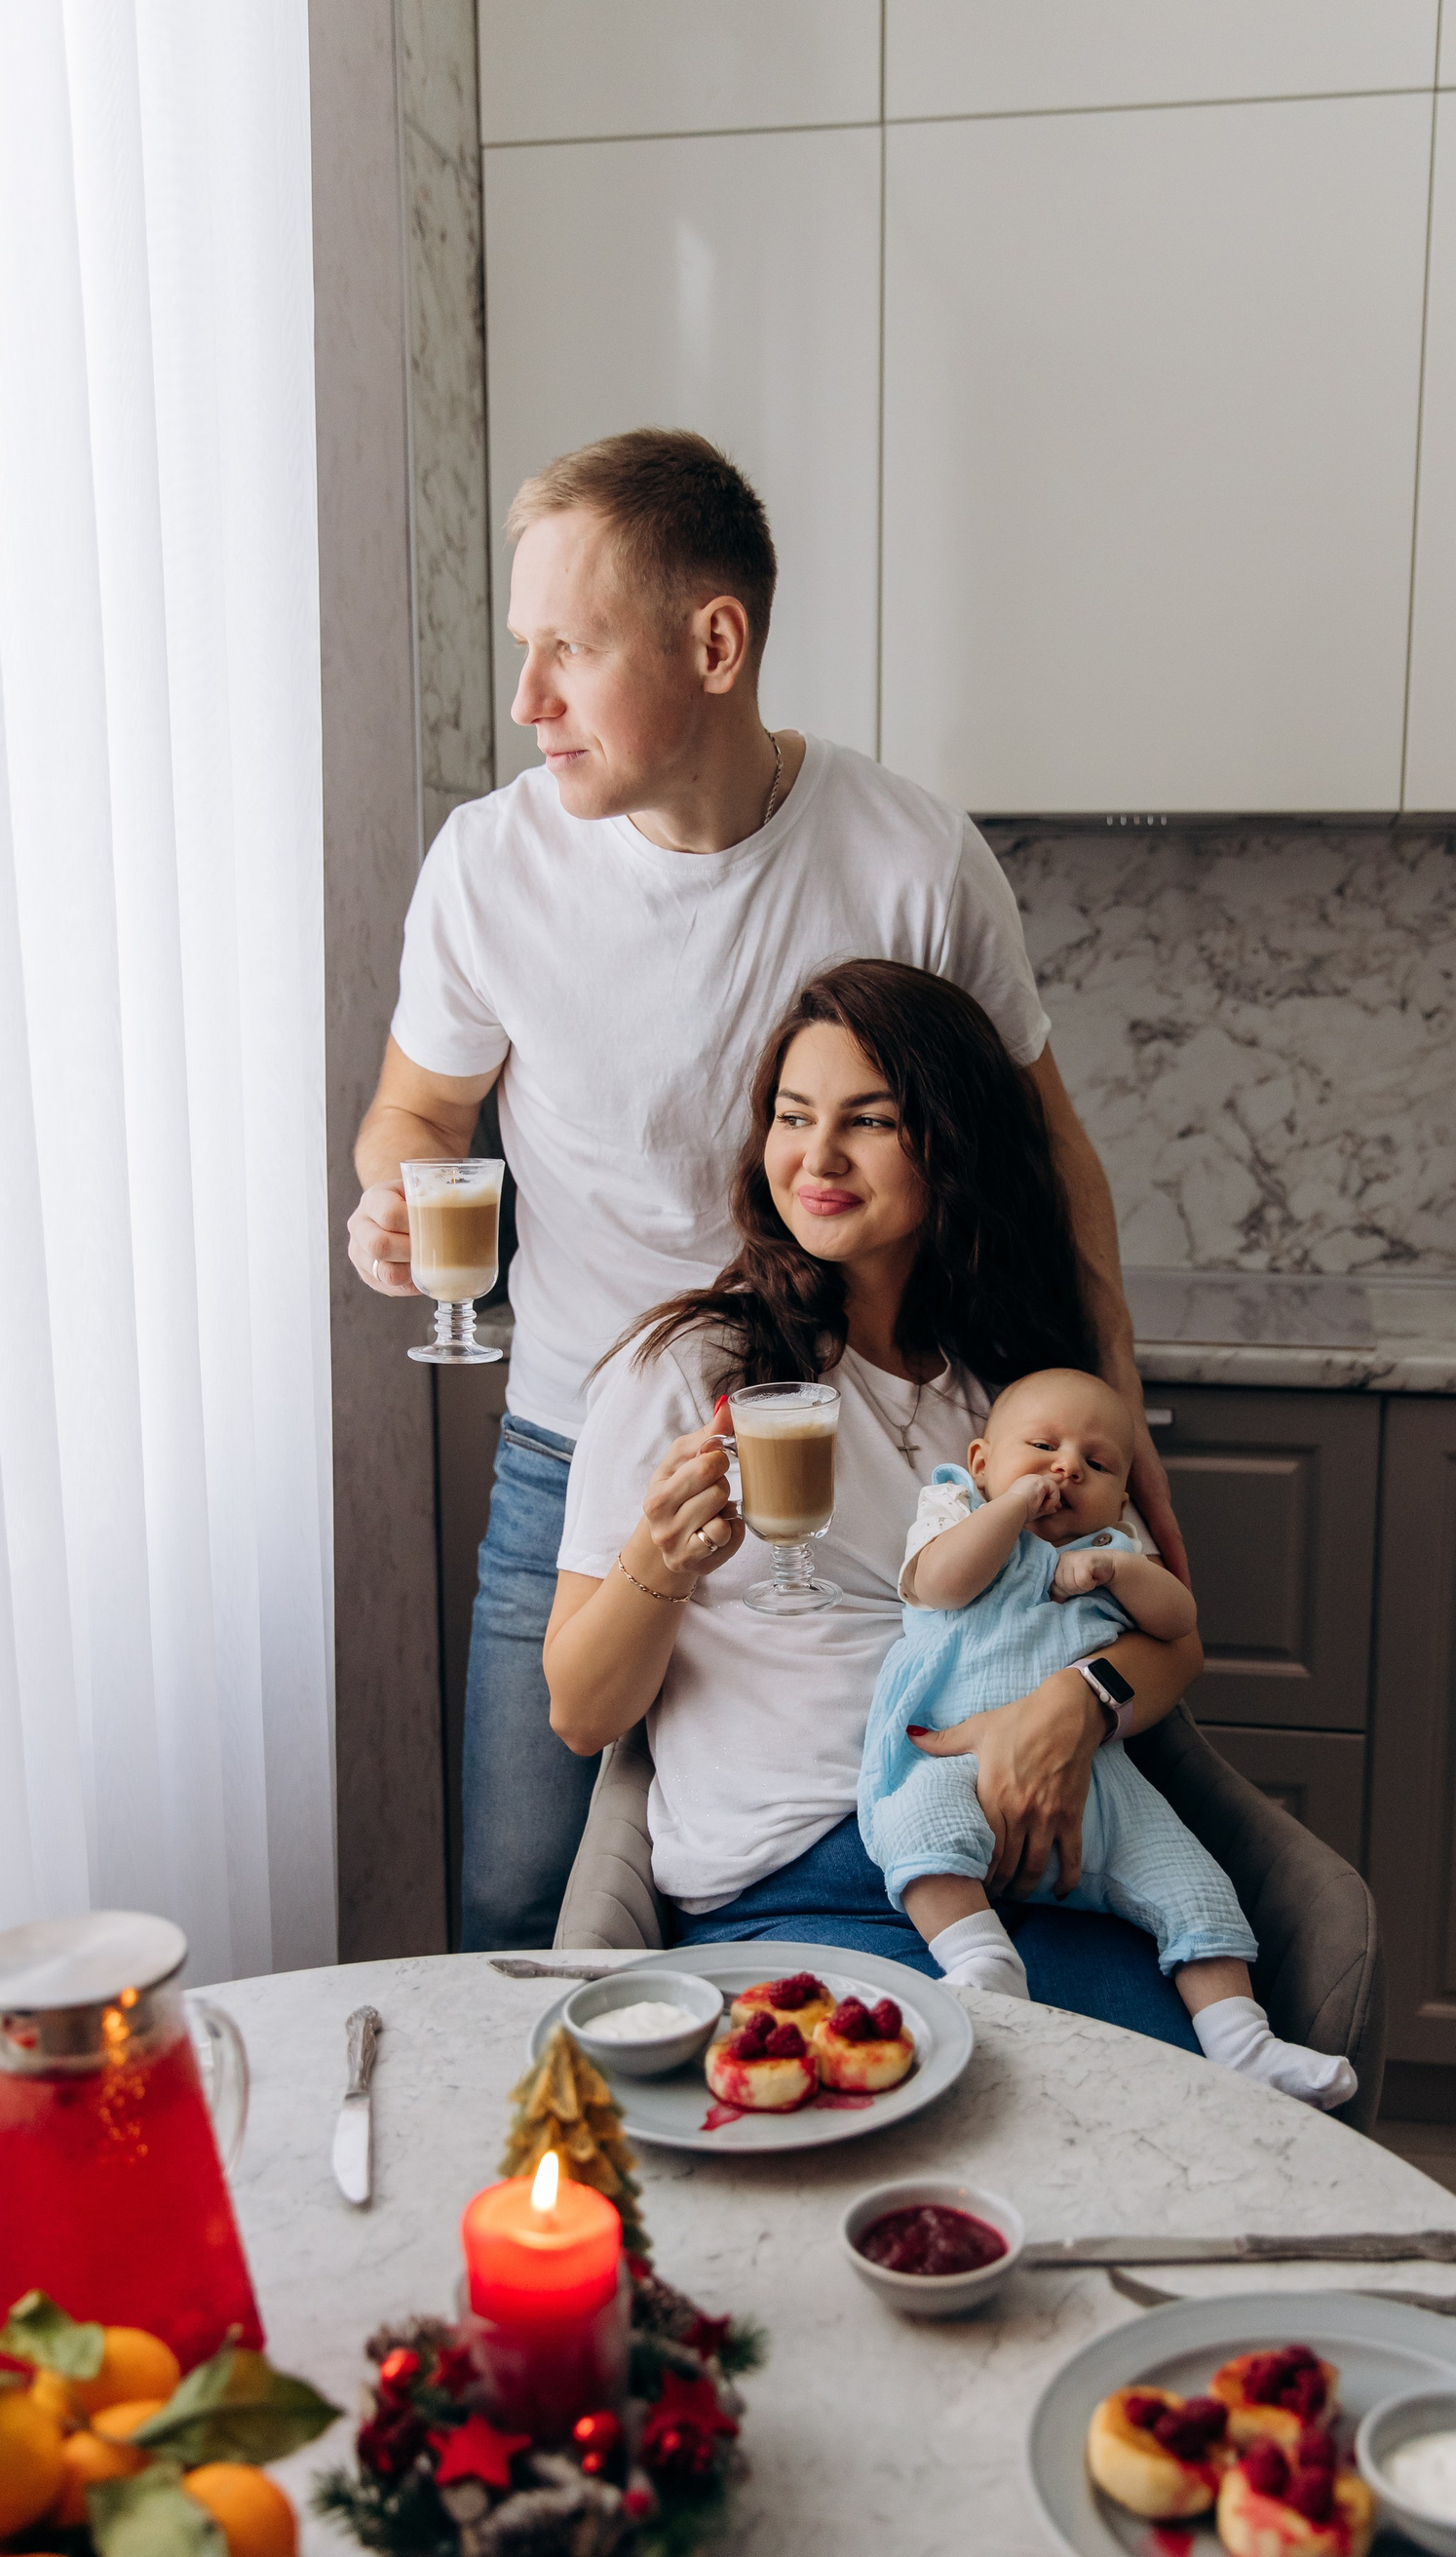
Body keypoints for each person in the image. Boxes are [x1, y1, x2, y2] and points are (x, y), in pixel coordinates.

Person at [346, 427, 1188, 1951]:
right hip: (575, 1441)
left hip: (860, 1440)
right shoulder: (488, 867)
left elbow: (1050, 1148)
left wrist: (1115, 1404)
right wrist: (399, 1194)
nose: (528, 698)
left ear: (715, 644)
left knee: (898, 1833)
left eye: (569, 648)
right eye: (524, 648)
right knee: (517, 1902)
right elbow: (417, 1109)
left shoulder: (911, 858)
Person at [543, 959, 1207, 2046]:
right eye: (792, 1116)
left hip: (1031, 1859)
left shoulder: (1013, 1398)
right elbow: (580, 1713)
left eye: (870, 1120)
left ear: (954, 1143)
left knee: (1181, 2108)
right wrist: (659, 1562)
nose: (817, 1157)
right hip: (809, 1870)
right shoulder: (690, 1370)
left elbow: (1171, 1639)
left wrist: (1075, 1704)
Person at [857, 1367, 1357, 2106]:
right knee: (915, 1825)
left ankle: (1243, 2041)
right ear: (981, 1462)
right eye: (1042, 1448)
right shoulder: (955, 1508)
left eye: (1096, 1464)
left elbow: (1179, 1624)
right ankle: (983, 1960)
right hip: (958, 1760)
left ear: (1121, 1498)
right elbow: (943, 1584)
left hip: (1099, 1782)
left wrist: (1118, 1569)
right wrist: (1012, 1507)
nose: (1066, 1468)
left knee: (1196, 1884)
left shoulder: (1110, 1548)